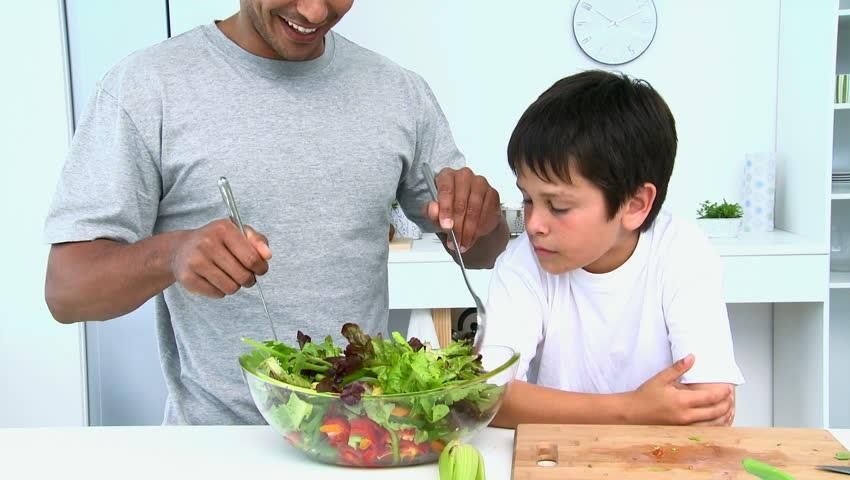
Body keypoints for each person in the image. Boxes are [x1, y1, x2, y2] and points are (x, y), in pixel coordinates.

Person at [43, 0, 508, 425]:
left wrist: (479, 220)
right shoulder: (147, 87)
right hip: (218, 448)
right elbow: (67, 292)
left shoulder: (400, 91)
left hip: (360, 437)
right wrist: (172, 254)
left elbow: (486, 250)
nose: (313, 11)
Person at [486, 70, 744, 428]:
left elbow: (710, 407)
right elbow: (485, 397)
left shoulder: (683, 254)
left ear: (635, 205)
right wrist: (632, 409)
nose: (533, 224)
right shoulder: (523, 263)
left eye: (558, 206)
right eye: (528, 199)